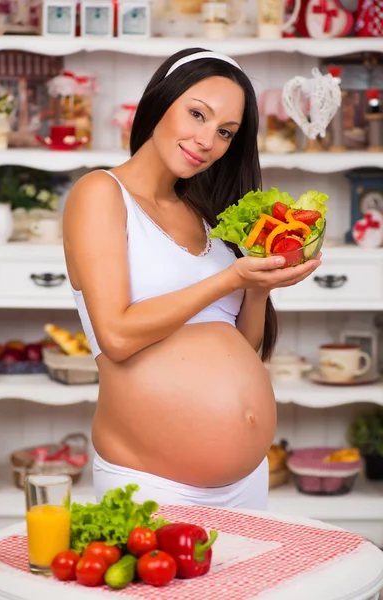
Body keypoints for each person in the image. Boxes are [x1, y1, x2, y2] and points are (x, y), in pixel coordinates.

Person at [63, 48, 321, 510]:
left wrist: (257, 288)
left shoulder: (209, 218)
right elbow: (116, 335)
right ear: (161, 101)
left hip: (247, 482)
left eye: (225, 132)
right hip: (152, 483)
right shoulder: (101, 193)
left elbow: (242, 350)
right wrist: (229, 280)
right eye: (197, 114)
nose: (207, 140)